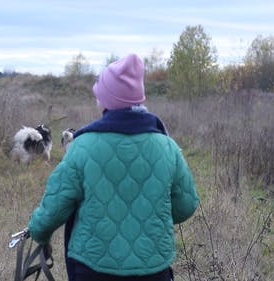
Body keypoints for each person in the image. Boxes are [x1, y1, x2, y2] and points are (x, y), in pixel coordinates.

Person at [27, 53, 200, 281]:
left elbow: (53, 208)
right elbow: (186, 206)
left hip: (92, 268)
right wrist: (149, 216)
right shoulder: (167, 146)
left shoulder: (82, 146)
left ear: (108, 101)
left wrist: (39, 231)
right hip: (153, 269)